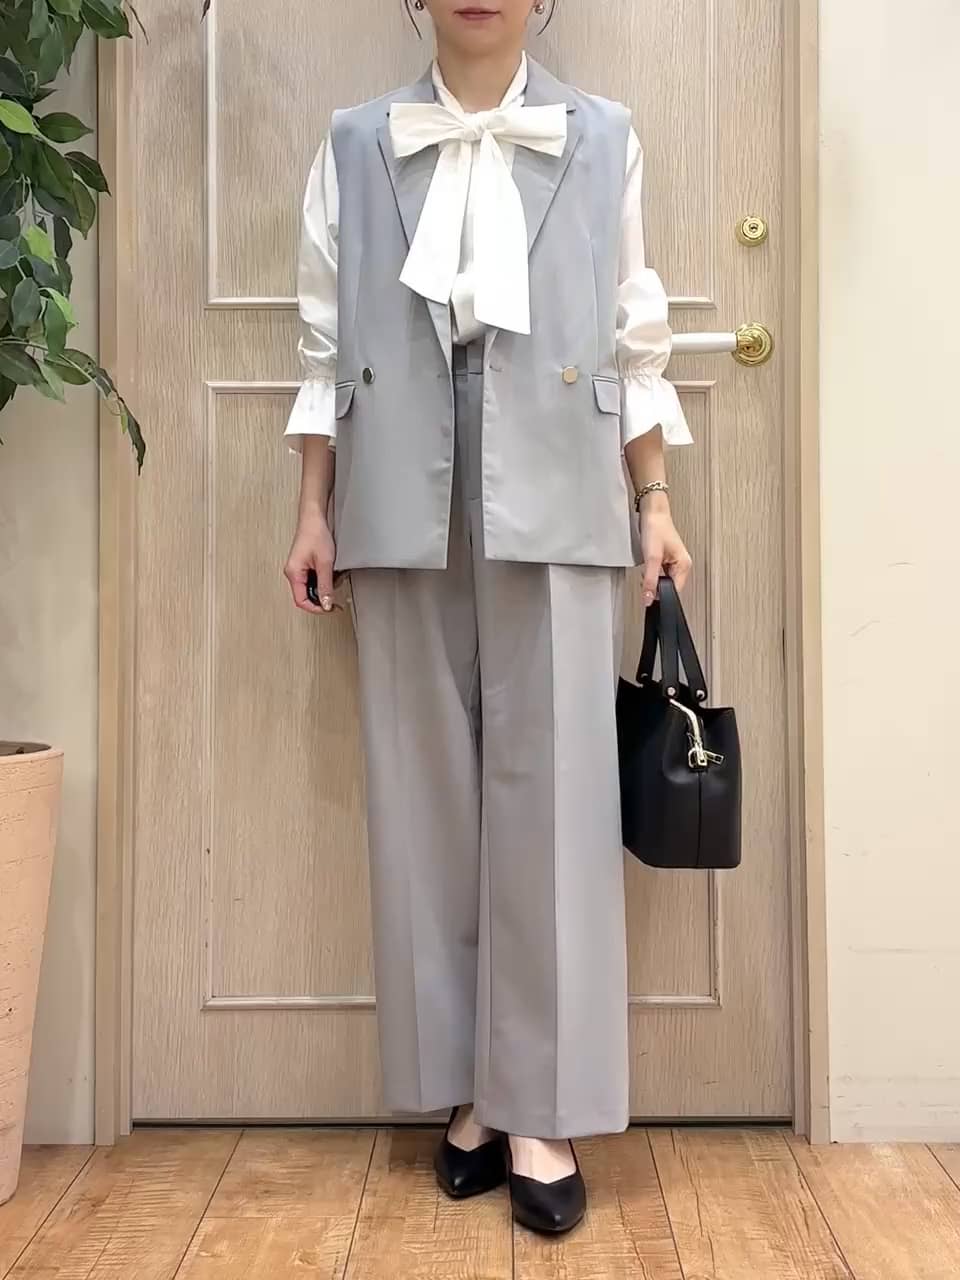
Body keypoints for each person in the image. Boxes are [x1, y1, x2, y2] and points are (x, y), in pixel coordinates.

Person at [283, 0, 693, 1236]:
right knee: (425, 796)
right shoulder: (355, 140)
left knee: (554, 800)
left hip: (560, 476)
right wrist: (313, 508)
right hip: (397, 479)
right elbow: (322, 338)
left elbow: (631, 333)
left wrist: (655, 502)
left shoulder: (605, 134)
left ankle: (540, 1108)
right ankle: (468, 1090)